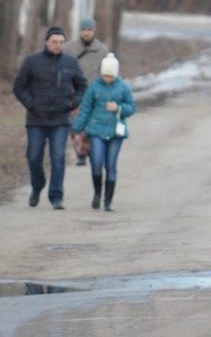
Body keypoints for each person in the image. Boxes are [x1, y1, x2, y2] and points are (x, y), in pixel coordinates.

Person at [13, 26, 87, 210]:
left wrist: (73, 103)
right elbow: (19, 86)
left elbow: (82, 86)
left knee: (58, 157)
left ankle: (56, 196)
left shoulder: (71, 62)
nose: (58, 45)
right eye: (54, 42)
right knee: (34, 157)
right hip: (36, 119)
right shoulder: (32, 61)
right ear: (47, 42)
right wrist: (31, 103)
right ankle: (37, 186)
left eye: (61, 42)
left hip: (60, 119)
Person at [72, 53, 135, 211]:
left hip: (115, 131)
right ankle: (97, 193)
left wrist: (118, 108)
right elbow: (85, 109)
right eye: (105, 75)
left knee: (111, 165)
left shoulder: (123, 87)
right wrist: (78, 130)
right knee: (96, 162)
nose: (107, 78)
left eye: (110, 76)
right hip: (96, 130)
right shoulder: (94, 88)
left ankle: (108, 200)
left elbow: (131, 107)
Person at [64, 17, 110, 166]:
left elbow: (107, 70)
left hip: (95, 90)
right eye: (83, 30)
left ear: (94, 31)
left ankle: (92, 150)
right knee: (77, 123)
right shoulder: (69, 48)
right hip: (76, 91)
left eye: (89, 30)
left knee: (93, 122)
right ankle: (81, 152)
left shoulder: (102, 49)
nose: (86, 33)